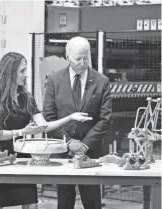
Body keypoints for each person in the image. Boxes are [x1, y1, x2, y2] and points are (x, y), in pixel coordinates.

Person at [0, 52, 92, 209]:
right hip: (1, 161)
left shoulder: (26, 97)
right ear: (10, 72)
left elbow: (44, 125)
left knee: (31, 204)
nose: (26, 75)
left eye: (26, 70)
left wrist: (70, 117)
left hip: (22, 161)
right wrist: (22, 132)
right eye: (22, 71)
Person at [43, 36, 112, 209]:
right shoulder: (54, 80)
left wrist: (84, 145)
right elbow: (49, 117)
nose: (82, 62)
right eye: (78, 59)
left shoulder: (102, 81)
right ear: (67, 57)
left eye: (86, 58)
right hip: (62, 151)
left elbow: (105, 119)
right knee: (64, 201)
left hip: (91, 152)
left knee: (92, 201)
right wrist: (69, 143)